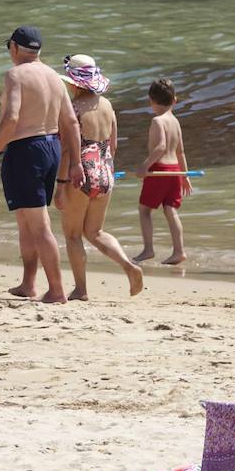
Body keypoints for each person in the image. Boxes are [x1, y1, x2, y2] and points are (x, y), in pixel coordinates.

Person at [0, 25, 82, 303]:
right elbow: (71, 122)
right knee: (26, 222)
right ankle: (28, 283)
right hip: (51, 147)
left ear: (14, 48)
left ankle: (56, 289)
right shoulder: (54, 77)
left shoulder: (15, 75)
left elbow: (11, 118)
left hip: (25, 150)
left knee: (38, 225)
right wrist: (75, 162)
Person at [56, 54, 143, 300]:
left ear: (73, 84)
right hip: (105, 171)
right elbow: (113, 146)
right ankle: (129, 265)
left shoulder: (73, 110)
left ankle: (81, 289)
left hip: (80, 173)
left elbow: (66, 152)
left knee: (73, 235)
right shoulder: (107, 106)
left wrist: (60, 186)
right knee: (95, 232)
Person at [133, 78, 192, 265]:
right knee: (170, 210)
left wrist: (145, 166)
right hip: (174, 170)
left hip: (159, 169)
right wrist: (185, 176)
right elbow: (180, 152)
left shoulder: (158, 121)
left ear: (151, 101)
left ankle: (148, 249)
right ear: (175, 100)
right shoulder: (175, 122)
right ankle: (179, 251)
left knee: (144, 210)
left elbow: (160, 147)